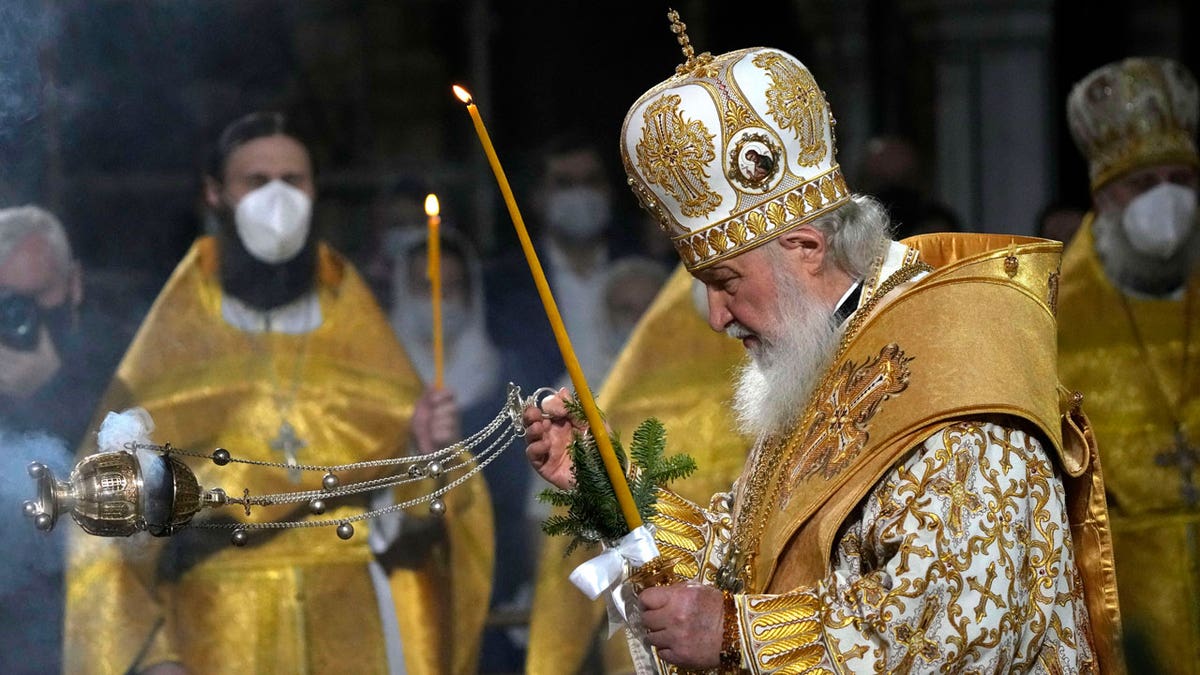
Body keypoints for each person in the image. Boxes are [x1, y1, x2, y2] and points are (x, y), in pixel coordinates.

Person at [522, 27, 1122, 673]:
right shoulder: (829, 358)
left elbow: (955, 635)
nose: (718, 316)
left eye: (725, 283)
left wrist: (735, 633)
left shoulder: (957, 380)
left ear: (806, 249)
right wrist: (618, 489)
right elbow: (744, 564)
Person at [63, 112, 493, 675]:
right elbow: (107, 505)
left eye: (294, 180)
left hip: (353, 621)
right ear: (216, 193)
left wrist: (422, 453)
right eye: (256, 181)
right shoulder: (179, 332)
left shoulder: (351, 316)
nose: (278, 197)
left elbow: (422, 522)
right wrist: (149, 656)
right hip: (217, 628)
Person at [525, 263, 747, 674]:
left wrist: (736, 629)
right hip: (649, 622)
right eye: (625, 309)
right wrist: (603, 485)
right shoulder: (595, 390)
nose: (721, 317)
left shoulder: (755, 388)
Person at [1059, 56, 1200, 673]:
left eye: (1181, 179)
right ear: (1104, 194)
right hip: (1121, 601)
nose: (1166, 199)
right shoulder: (1054, 311)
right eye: (1145, 184)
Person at [486, 134, 621, 389]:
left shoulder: (645, 270)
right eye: (564, 184)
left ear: (609, 190)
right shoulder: (503, 284)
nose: (581, 194)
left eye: (591, 181)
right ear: (537, 197)